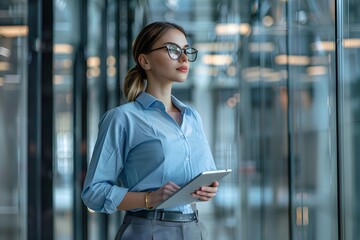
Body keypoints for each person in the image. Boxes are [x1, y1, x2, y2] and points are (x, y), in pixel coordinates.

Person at [81, 21, 219, 240]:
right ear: (145, 60)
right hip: (147, 230)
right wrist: (148, 199)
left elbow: (206, 175)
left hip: (194, 228)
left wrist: (208, 189)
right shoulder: (123, 118)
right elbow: (93, 193)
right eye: (173, 50)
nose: (183, 58)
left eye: (186, 51)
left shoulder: (193, 117)